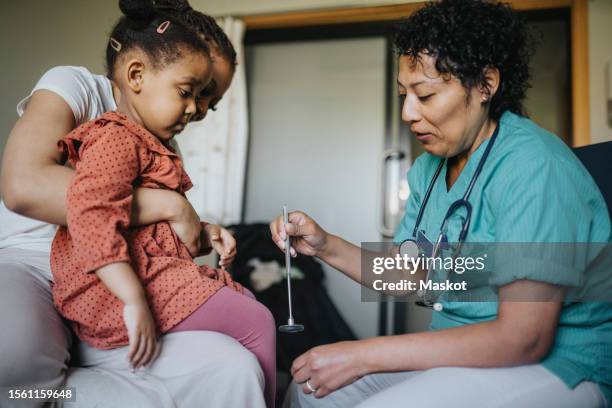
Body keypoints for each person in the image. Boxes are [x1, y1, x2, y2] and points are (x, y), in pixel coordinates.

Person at [270, 0, 611, 407]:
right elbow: (410, 274)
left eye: (425, 95)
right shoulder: (429, 170)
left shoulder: (534, 168)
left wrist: (361, 354)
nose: (407, 113)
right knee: (309, 395)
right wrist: (324, 245)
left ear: (486, 84)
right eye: (403, 94)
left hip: (561, 365)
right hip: (460, 350)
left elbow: (525, 338)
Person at [0, 0, 267, 407]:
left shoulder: (162, 141)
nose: (198, 110)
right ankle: (49, 392)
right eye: (196, 88)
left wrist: (199, 226)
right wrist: (169, 206)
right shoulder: (81, 90)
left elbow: (159, 232)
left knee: (231, 366)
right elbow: (24, 186)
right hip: (35, 263)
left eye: (209, 101)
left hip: (119, 273)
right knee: (16, 361)